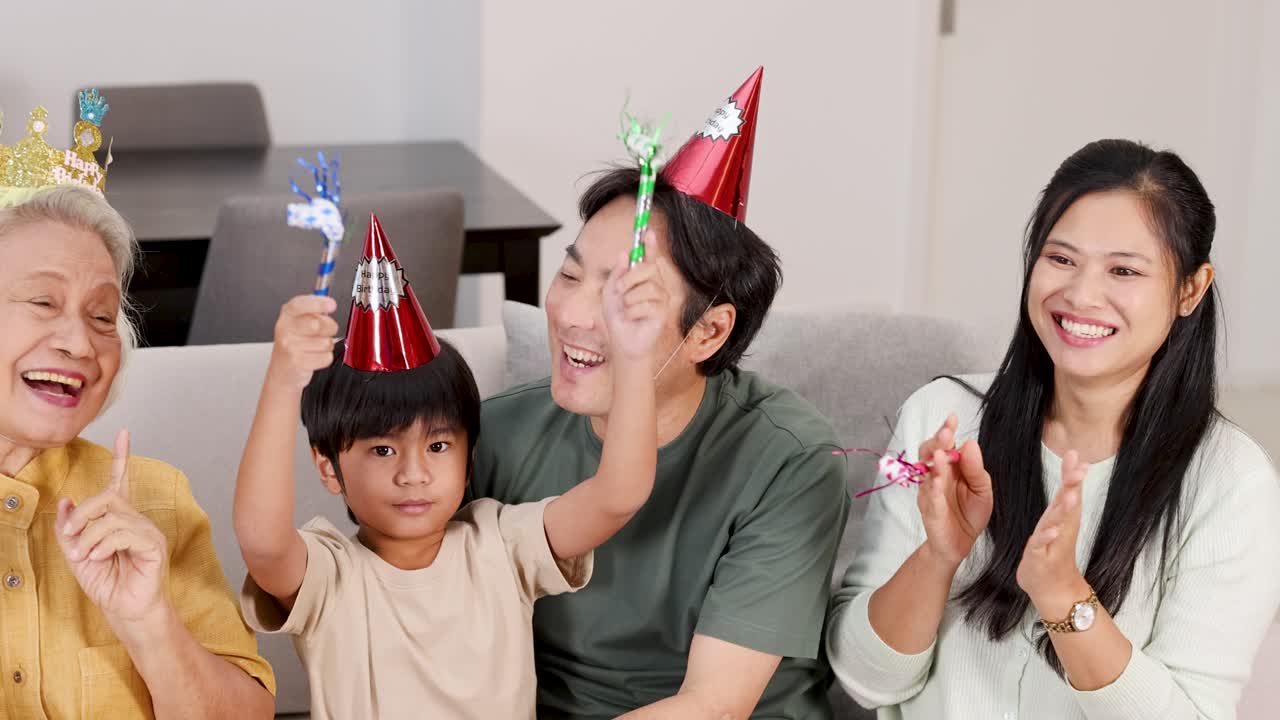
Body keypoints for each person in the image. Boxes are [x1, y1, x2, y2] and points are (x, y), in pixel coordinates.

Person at [827, 139, 1280, 719]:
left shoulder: (1230, 482)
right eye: (1060, 259)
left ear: (1190, 289)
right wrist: (938, 556)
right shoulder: (942, 418)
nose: (1081, 295)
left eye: (1123, 270)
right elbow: (867, 683)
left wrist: (1064, 595)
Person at [471, 67, 851, 718]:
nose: (576, 315)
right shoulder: (491, 439)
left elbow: (713, 706)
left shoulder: (791, 462)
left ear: (708, 332)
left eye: (629, 298)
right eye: (570, 274)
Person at [233, 214, 668, 718]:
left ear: (469, 458)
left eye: (438, 447)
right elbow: (263, 542)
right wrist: (283, 381)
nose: (413, 473)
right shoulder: (332, 575)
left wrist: (635, 360)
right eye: (382, 450)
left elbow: (619, 495)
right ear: (329, 468)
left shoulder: (502, 543)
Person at [0, 93, 274, 720]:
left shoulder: (153, 502)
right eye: (43, 302)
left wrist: (148, 622)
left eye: (102, 316)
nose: (79, 342)